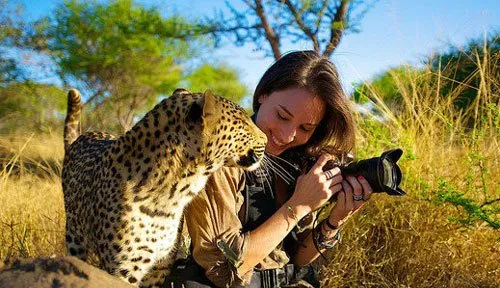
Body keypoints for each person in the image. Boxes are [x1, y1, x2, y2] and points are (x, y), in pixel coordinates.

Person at [168, 50, 373, 288]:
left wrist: (334, 221)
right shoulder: (223, 154)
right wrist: (298, 205)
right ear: (263, 94)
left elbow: (297, 256)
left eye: (305, 128)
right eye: (282, 116)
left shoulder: (298, 162)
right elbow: (224, 270)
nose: (287, 136)